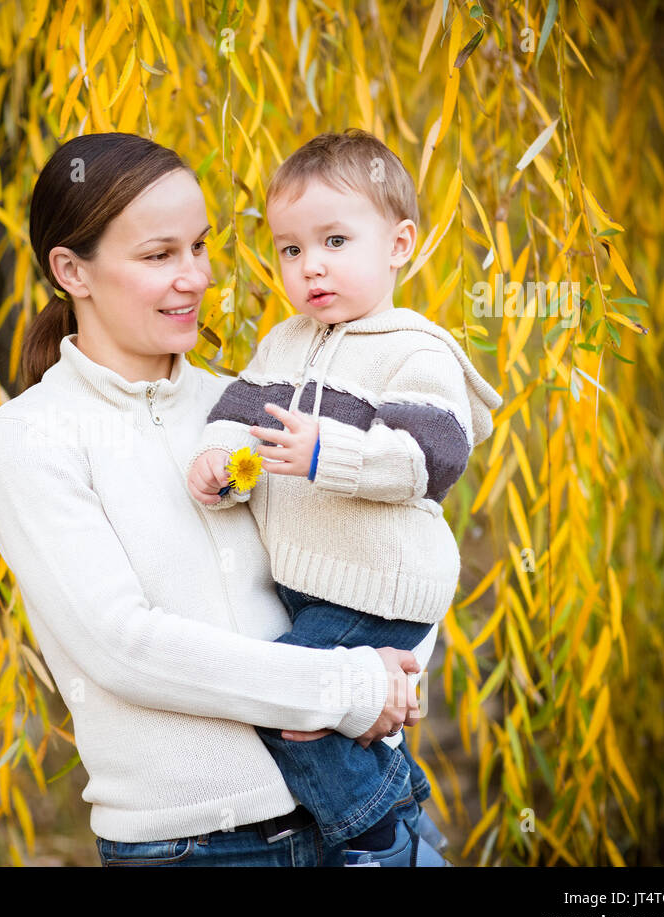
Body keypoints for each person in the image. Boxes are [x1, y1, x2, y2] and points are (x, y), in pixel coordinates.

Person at [0, 131, 440, 866]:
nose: (194, 277)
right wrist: (349, 685)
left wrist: (398, 674)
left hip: (365, 809)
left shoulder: (245, 404)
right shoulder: (32, 437)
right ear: (72, 271)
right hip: (200, 846)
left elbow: (383, 537)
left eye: (200, 247)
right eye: (160, 255)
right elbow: (125, 647)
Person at [185, 129, 502, 866]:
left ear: (398, 244)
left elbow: (432, 458)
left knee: (289, 704)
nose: (311, 266)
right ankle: (399, 811)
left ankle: (385, 834)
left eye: (334, 240)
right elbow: (236, 418)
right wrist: (217, 464)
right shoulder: (284, 343)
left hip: (378, 584)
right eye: (291, 250)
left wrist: (328, 453)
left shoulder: (413, 349)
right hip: (309, 583)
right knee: (315, 706)